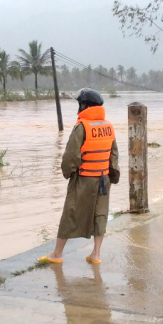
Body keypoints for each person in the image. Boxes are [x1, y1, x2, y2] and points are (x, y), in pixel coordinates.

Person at [40, 88, 120, 264]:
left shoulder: (82, 127)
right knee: (100, 214)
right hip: (103, 180)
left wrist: (67, 173)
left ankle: (57, 254)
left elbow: (71, 156)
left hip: (84, 179)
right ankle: (96, 255)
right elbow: (113, 155)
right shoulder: (108, 126)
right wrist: (112, 177)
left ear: (84, 106)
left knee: (70, 213)